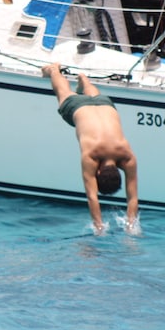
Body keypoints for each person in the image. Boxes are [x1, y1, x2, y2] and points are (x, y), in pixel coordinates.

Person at [42, 63, 139, 233]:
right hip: (79, 109)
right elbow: (92, 197)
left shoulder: (127, 157)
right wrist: (99, 227)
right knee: (63, 92)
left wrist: (131, 224)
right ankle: (53, 70)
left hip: (105, 104)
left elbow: (133, 199)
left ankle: (84, 81)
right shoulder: (91, 156)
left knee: (94, 97)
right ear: (98, 172)